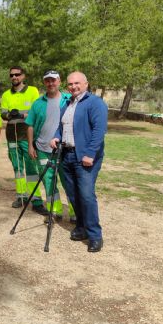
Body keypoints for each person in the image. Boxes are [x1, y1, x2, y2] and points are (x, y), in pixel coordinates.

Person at [51, 72, 108, 253]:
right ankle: (82, 227)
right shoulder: (67, 103)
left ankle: (95, 236)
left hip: (85, 157)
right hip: (66, 155)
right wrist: (56, 137)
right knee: (73, 195)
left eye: (77, 83)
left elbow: (99, 130)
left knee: (86, 195)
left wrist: (90, 153)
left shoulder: (95, 103)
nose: (73, 86)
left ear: (86, 84)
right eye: (70, 84)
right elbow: (62, 127)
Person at [24, 70, 75, 222]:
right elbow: (30, 125)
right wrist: (31, 146)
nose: (51, 83)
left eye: (54, 80)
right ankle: (55, 211)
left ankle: (75, 213)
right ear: (44, 82)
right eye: (48, 81)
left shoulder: (69, 99)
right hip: (43, 150)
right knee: (49, 182)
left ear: (59, 81)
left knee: (69, 182)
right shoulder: (38, 103)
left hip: (64, 151)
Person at [0, 66, 45, 212]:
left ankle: (36, 200)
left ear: (23, 76)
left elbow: (36, 111)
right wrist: (9, 115)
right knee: (17, 167)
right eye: (11, 75)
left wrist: (19, 115)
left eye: (17, 74)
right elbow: (3, 113)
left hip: (27, 136)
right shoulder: (6, 94)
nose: (14, 77)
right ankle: (21, 196)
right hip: (12, 136)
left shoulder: (32, 90)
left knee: (32, 167)